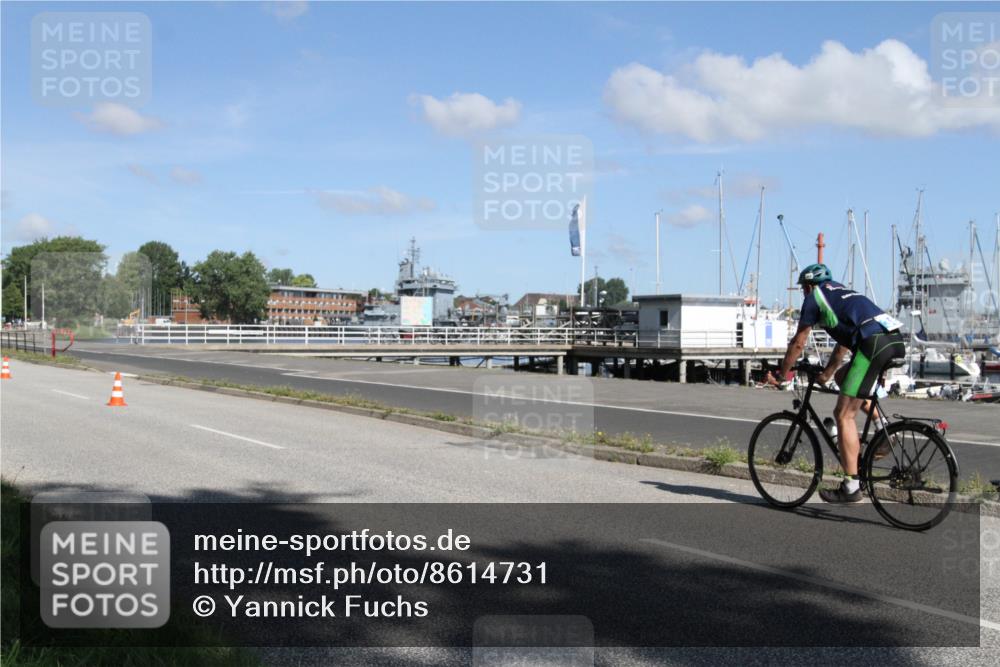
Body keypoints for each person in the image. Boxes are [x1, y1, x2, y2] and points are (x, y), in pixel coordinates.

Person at [779, 263, 906, 503]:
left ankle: (851, 487)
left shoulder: (814, 298)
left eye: (803, 288)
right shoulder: (842, 293)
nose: (803, 293)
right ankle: (883, 429)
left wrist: (782, 374)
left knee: (844, 414)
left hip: (873, 344)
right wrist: (827, 374)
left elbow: (798, 342)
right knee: (842, 378)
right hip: (894, 341)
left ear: (809, 286)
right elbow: (842, 346)